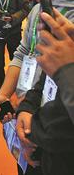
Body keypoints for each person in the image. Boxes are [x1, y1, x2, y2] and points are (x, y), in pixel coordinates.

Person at [0, 0, 74, 175]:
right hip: (30, 116)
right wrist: (7, 96)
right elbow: (23, 54)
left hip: (56, 136)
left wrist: (37, 133)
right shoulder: (38, 11)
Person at [16, 10, 74, 174]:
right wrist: (26, 109)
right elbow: (44, 78)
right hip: (43, 141)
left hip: (59, 151)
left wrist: (32, 133)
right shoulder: (43, 13)